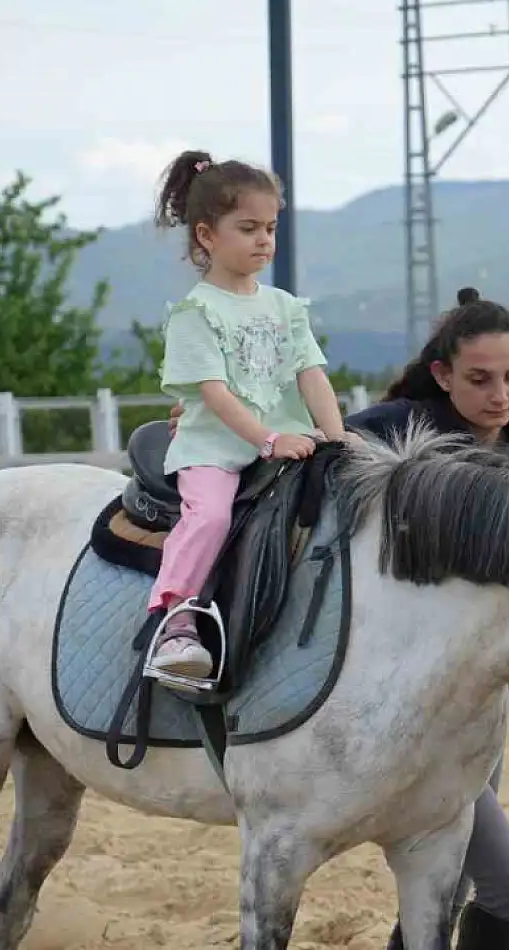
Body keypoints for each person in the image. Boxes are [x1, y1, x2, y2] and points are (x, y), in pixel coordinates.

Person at [166, 286, 509, 948]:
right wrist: (212, 428)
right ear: (442, 374)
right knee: (501, 881)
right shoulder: (399, 429)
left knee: (458, 884)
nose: (501, 395)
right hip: (398, 704)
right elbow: (309, 451)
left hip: (482, 708)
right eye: (480, 379)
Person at [145, 149, 348, 681]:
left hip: (289, 439)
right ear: (208, 236)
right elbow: (213, 392)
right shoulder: (196, 312)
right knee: (210, 516)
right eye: (249, 228)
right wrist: (269, 438)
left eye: (271, 227)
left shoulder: (284, 306)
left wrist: (338, 437)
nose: (265, 240)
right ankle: (177, 618)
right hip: (216, 447)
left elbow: (311, 374)